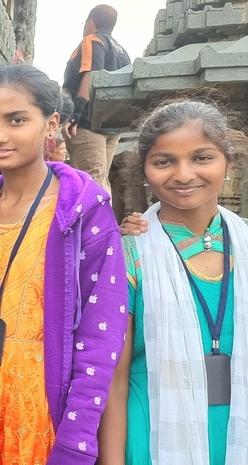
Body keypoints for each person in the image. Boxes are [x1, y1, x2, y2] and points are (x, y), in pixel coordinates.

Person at [0, 64, 128, 465]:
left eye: (16, 120)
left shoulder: (83, 212)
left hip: (44, 408)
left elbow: (101, 335)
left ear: (51, 123)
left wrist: (75, 439)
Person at [100, 100, 248, 465]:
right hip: (153, 435)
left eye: (202, 158)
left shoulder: (244, 244)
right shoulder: (129, 253)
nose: (183, 175)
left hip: (235, 431)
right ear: (145, 170)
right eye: (164, 161)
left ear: (228, 162)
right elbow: (113, 381)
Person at [62, 4, 131, 192]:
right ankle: (103, 221)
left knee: (89, 183)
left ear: (91, 23)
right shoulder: (121, 51)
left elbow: (92, 75)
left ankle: (97, 222)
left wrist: (74, 114)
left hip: (87, 122)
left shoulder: (92, 40)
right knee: (100, 181)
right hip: (111, 125)